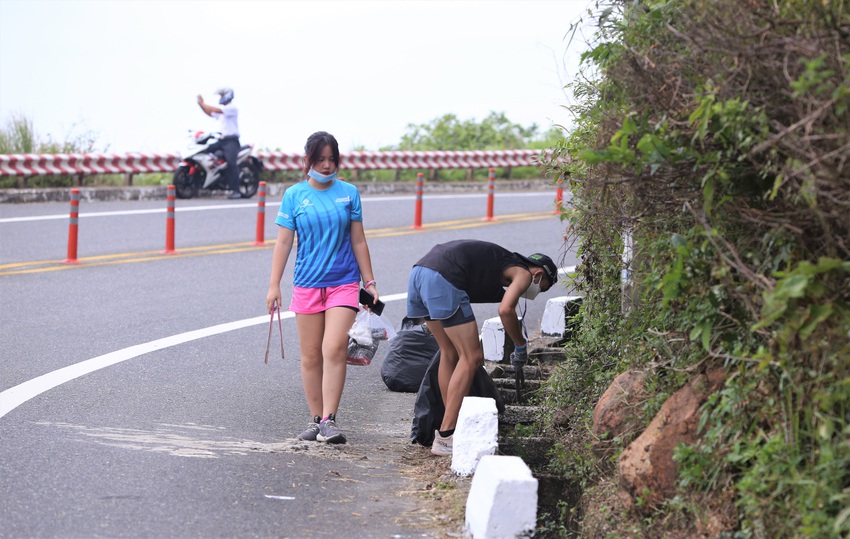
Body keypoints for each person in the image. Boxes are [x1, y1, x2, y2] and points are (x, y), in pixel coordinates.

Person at [266, 131, 379, 445]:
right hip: (306, 284)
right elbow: (284, 242)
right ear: (307, 161)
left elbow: (358, 240)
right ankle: (316, 421)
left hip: (344, 283)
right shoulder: (294, 196)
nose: (327, 166)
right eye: (320, 160)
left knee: (334, 348)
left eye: (332, 159)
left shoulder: (349, 193)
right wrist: (274, 285)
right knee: (311, 356)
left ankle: (331, 420)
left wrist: (369, 283)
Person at [406, 239, 558, 456]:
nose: (534, 293)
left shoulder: (504, 262)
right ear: (539, 275)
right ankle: (447, 435)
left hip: (420, 273)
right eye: (541, 289)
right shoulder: (524, 274)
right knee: (472, 357)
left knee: (449, 353)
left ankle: (450, 426)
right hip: (444, 277)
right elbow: (506, 310)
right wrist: (521, 345)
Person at [197, 88, 242, 199]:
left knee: (231, 163)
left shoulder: (231, 108)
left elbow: (216, 110)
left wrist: (203, 103)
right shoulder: (223, 112)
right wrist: (201, 105)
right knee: (204, 151)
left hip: (231, 141)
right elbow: (210, 113)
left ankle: (235, 190)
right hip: (221, 140)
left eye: (222, 96)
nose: (220, 98)